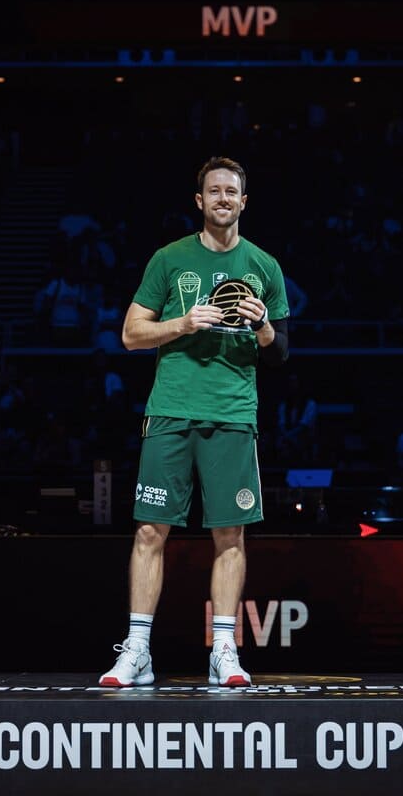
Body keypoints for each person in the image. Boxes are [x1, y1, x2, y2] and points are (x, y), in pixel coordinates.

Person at [99, 157, 290, 688]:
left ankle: (224, 651)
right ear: (200, 201)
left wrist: (264, 326)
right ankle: (137, 651)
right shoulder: (169, 259)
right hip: (171, 410)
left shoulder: (265, 267)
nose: (223, 198)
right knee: (149, 531)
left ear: (243, 202)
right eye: (214, 191)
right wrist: (182, 323)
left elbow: (281, 352)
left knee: (229, 534)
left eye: (232, 191)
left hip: (232, 415)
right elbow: (130, 335)